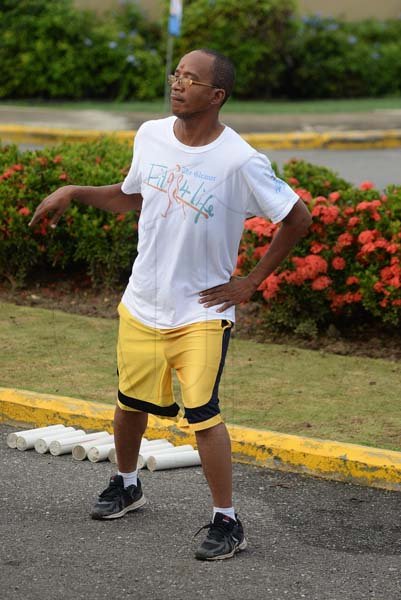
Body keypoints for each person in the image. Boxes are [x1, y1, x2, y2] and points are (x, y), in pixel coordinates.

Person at [29, 48, 312, 561]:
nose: (177, 84)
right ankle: (126, 483)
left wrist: (249, 282)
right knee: (129, 404)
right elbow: (133, 195)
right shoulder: (151, 135)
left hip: (201, 311)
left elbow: (297, 217)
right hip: (142, 301)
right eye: (176, 74)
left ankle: (227, 521)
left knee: (203, 414)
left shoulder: (241, 160)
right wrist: (74, 191)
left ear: (217, 95)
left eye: (191, 79)